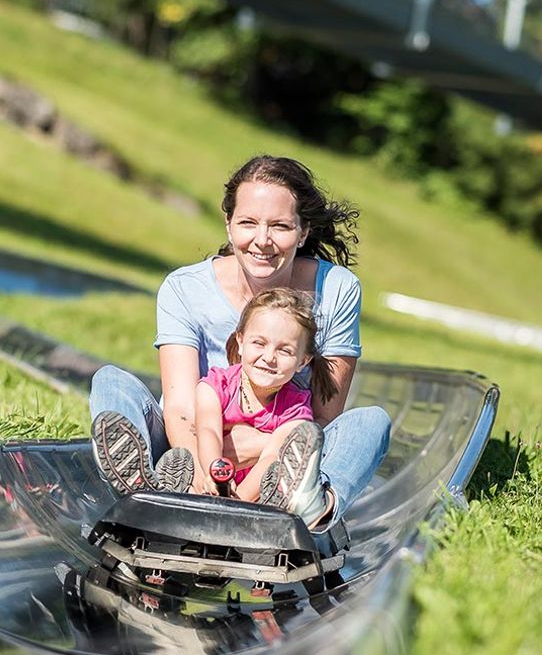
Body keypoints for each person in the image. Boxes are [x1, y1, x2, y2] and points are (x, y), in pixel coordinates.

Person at [88, 155, 392, 526]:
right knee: (110, 381)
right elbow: (181, 407)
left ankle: (313, 504)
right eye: (248, 223)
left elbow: (324, 416)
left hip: (285, 455)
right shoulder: (185, 288)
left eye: (280, 226)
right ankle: (149, 488)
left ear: (303, 232)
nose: (262, 240)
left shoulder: (337, 289)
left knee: (372, 422)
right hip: (186, 445)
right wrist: (203, 470)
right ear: (229, 226)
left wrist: (266, 449)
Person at [163, 287, 330, 515]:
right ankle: (167, 489)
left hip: (252, 499)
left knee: (278, 475)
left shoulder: (295, 409)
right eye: (259, 343)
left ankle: (257, 509)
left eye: (285, 351)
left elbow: (271, 456)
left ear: (303, 361)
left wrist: (235, 504)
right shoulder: (215, 387)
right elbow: (208, 431)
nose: (269, 357)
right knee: (186, 470)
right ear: (240, 342)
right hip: (211, 481)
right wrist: (215, 476)